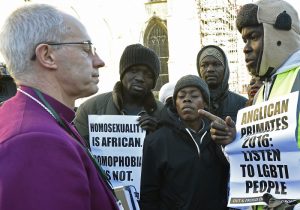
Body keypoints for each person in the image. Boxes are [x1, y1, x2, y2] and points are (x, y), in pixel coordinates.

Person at [0, 4, 119, 210]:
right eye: (86, 48)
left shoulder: (40, 116)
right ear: (47, 56)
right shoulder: (37, 141)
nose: (99, 61)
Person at [233, 0, 300, 209]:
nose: (245, 48)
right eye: (244, 39)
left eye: (253, 37)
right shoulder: (263, 90)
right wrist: (234, 141)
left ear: (280, 32)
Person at [140, 75, 235, 210]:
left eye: (194, 95)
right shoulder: (156, 141)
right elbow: (148, 195)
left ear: (205, 103)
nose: (187, 99)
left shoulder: (220, 136)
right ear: (175, 104)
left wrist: (231, 142)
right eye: (181, 96)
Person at [74, 43, 164, 146]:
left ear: (154, 82)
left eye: (148, 75)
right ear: (122, 73)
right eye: (133, 71)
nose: (140, 78)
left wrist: (159, 133)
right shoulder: (90, 109)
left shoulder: (164, 113)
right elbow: (77, 151)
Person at [196, 45, 247, 122]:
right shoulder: (193, 104)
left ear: (225, 69)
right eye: (204, 65)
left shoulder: (242, 104)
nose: (210, 69)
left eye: (216, 64)